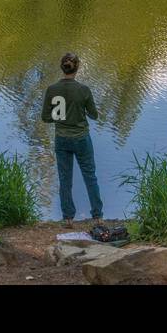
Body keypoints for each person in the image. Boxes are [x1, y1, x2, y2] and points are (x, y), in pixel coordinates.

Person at [41, 52, 103, 226]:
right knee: (90, 176)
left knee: (65, 178)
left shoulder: (52, 90)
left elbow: (46, 117)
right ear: (77, 68)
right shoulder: (83, 90)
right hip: (81, 138)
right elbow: (94, 115)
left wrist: (60, 116)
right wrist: (80, 111)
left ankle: (68, 218)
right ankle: (97, 216)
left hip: (61, 139)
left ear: (62, 68)